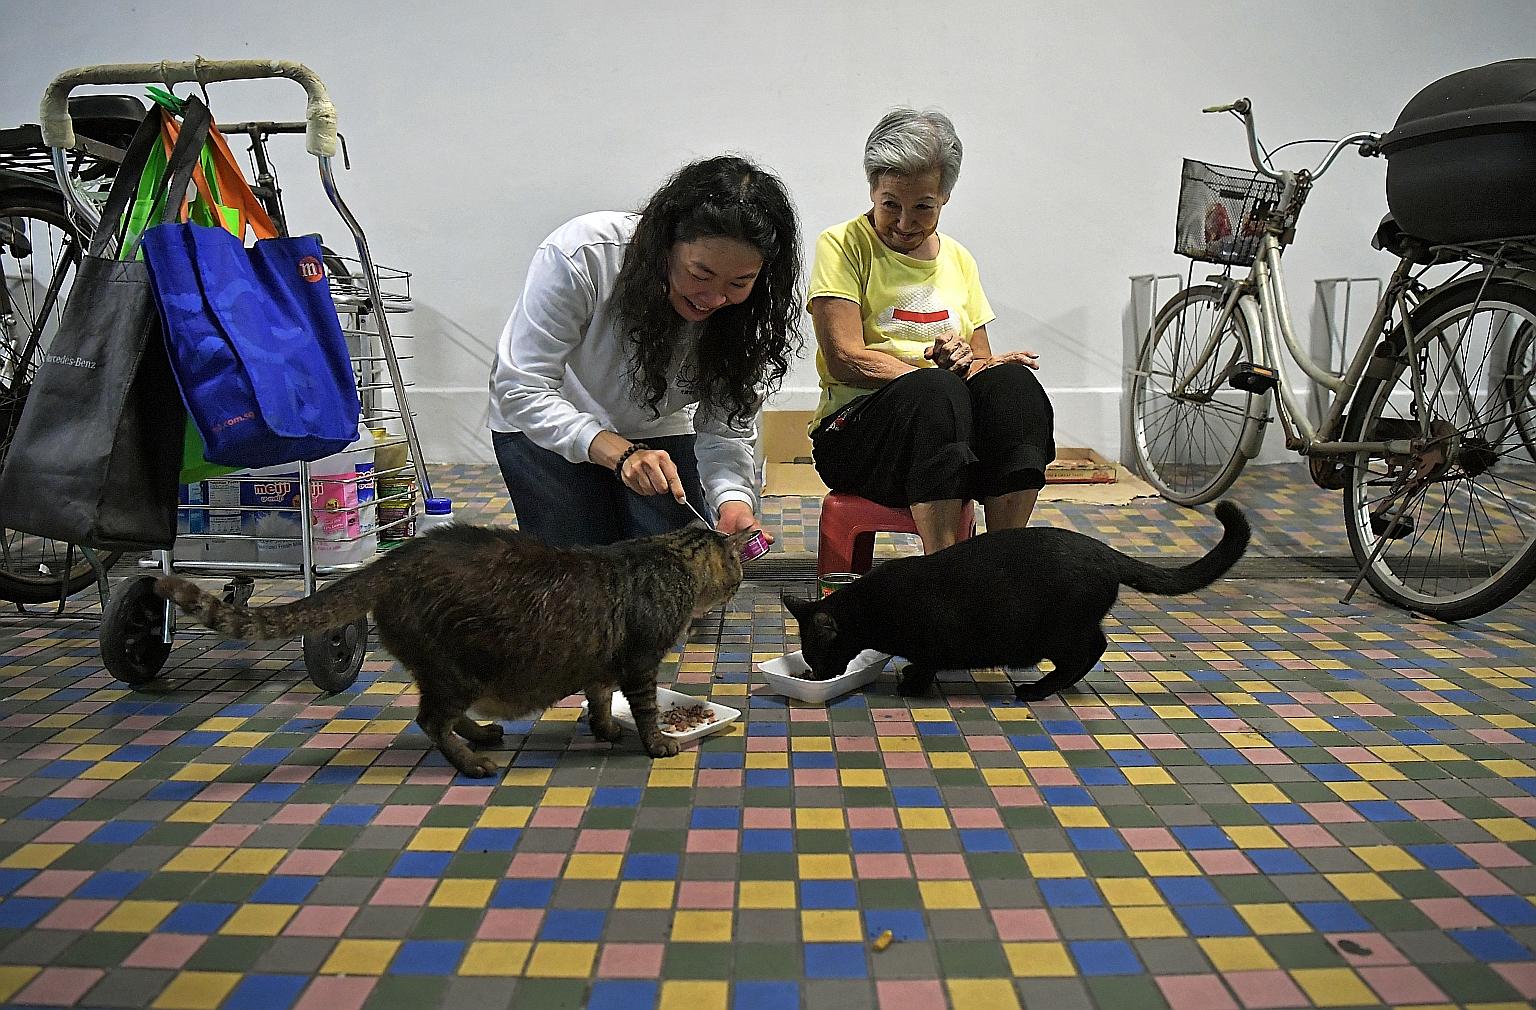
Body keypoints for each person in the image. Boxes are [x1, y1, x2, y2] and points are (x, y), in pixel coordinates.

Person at [489, 156, 802, 547]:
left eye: (739, 282)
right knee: (582, 579)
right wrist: (617, 453)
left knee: (675, 578)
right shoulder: (585, 253)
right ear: (663, 245)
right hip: (544, 423)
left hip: (653, 429)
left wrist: (732, 500)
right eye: (699, 275)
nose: (715, 298)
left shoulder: (748, 315)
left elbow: (726, 432)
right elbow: (520, 387)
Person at [807, 108, 1055, 553]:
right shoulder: (841, 245)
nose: (905, 223)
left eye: (923, 207)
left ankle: (1003, 561)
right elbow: (845, 357)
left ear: (944, 197)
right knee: (936, 394)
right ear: (871, 189)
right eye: (890, 205)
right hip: (859, 438)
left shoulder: (959, 259)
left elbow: (979, 361)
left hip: (951, 439)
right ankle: (943, 573)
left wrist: (981, 366)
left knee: (1015, 386)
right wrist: (933, 378)